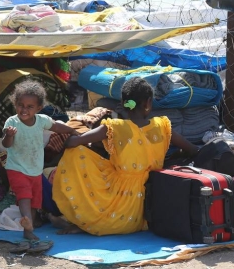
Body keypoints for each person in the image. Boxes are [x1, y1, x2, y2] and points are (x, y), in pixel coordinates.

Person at [50, 77, 199, 235]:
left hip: (116, 211)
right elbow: (193, 149)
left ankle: (86, 220)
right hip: (148, 209)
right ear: (148, 103)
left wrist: (75, 132)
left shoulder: (114, 128)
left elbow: (72, 143)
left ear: (123, 102)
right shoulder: (162, 126)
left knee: (77, 152)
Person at [2, 78, 80, 241]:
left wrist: (73, 132)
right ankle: (27, 224)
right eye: (21, 105)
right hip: (16, 168)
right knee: (24, 195)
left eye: (30, 107)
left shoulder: (42, 121)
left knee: (36, 200)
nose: (24, 109)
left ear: (39, 108)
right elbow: (6, 144)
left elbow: (57, 127)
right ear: (15, 104)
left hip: (35, 169)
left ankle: (29, 224)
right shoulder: (12, 122)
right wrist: (8, 136)